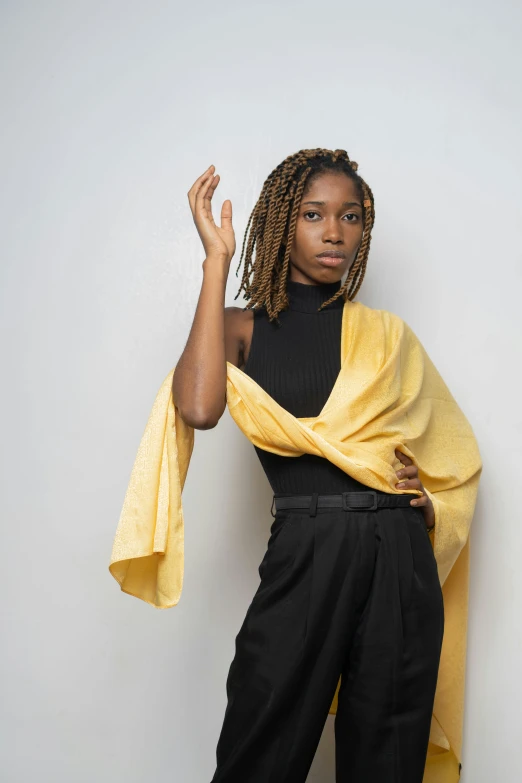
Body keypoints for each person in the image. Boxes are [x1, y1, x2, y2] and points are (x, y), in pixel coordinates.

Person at [109, 147, 482, 783]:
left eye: (352, 217)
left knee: (389, 757)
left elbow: (450, 457)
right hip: (309, 545)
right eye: (314, 214)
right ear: (283, 222)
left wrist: (428, 498)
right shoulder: (239, 328)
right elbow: (198, 408)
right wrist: (216, 263)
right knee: (263, 739)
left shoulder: (387, 335)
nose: (336, 232)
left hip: (399, 552)